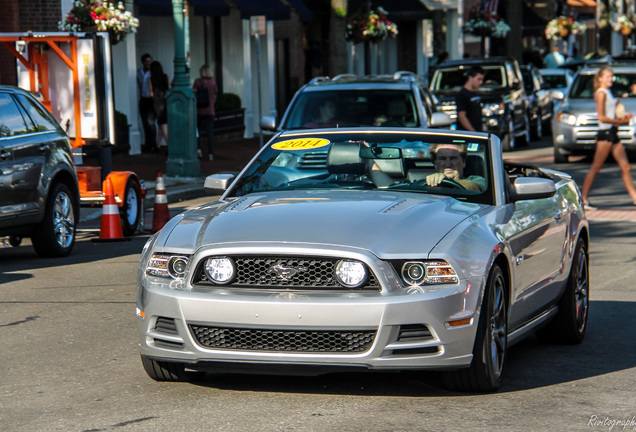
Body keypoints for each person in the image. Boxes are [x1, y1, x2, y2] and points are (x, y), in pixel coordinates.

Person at [581, 66, 636, 209]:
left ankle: (635, 198)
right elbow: (601, 117)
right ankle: (583, 199)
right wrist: (620, 122)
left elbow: (611, 113)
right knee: (596, 167)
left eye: (611, 76)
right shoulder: (601, 93)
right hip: (605, 134)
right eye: (607, 77)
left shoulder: (608, 92)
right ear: (600, 78)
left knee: (626, 166)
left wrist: (621, 115)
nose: (610, 79)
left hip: (613, 133)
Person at [193, 65, 218, 161]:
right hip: (210, 110)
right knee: (209, 132)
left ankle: (199, 150)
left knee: (197, 131)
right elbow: (215, 97)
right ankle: (211, 154)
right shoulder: (213, 83)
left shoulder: (197, 82)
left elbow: (194, 94)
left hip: (199, 110)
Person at [148, 61, 170, 152]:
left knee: (163, 125)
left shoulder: (150, 79)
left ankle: (170, 147)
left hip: (157, 103)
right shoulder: (166, 77)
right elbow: (169, 87)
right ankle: (158, 145)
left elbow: (151, 93)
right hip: (165, 101)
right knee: (162, 125)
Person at [137, 53, 156, 153]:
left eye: (150, 61)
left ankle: (153, 145)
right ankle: (147, 144)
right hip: (143, 99)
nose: (148, 63)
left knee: (151, 123)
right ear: (143, 62)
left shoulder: (153, 72)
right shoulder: (139, 72)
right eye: (146, 61)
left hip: (151, 99)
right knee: (145, 123)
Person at [456, 65, 484, 132]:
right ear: (470, 78)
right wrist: (472, 132)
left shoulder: (475, 93)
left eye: (482, 79)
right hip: (467, 134)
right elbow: (461, 116)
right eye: (479, 79)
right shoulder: (462, 94)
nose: (481, 82)